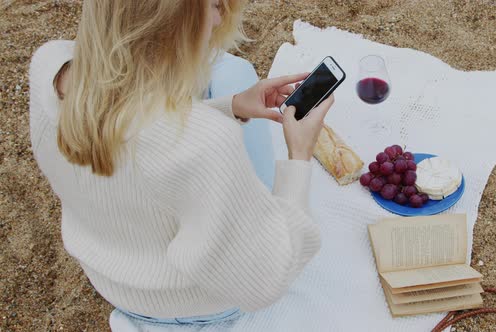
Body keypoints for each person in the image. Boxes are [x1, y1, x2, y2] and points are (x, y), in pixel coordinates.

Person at [28, 0, 334, 329]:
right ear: (168, 20)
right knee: (234, 69)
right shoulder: (207, 144)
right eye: (214, 5)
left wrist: (233, 107)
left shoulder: (50, 65)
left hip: (112, 278)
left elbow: (138, 134)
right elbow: (266, 280)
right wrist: (299, 155)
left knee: (230, 70)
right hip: (194, 305)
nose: (220, 17)